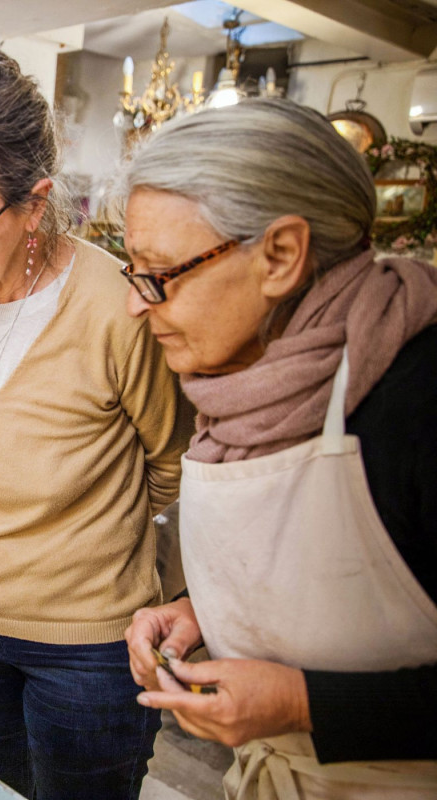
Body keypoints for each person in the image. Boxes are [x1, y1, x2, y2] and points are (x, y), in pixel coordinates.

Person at [0, 35, 193, 799]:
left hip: (89, 645)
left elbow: (171, 461)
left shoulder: (116, 308)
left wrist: (82, 540)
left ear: (34, 203)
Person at [119, 98, 437, 798]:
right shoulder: (238, 379)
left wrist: (301, 703)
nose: (136, 305)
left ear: (282, 255)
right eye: (131, 270)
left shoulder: (418, 396)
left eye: (159, 273)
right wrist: (206, 613)